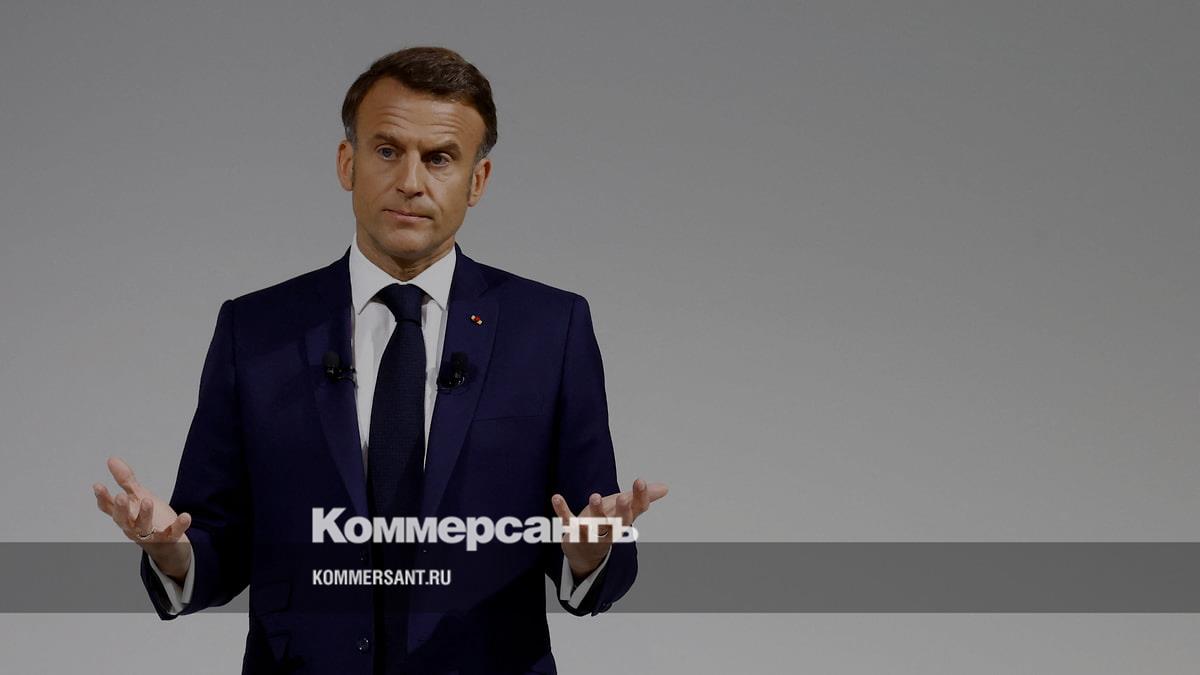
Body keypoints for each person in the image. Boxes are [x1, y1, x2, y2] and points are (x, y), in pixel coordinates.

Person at [91, 46, 667, 674]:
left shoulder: (551, 329)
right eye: (388, 150)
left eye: (439, 158)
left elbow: (590, 537)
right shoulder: (255, 330)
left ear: (478, 180)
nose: (410, 181)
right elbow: (214, 539)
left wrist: (591, 553)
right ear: (348, 162)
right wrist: (171, 551)